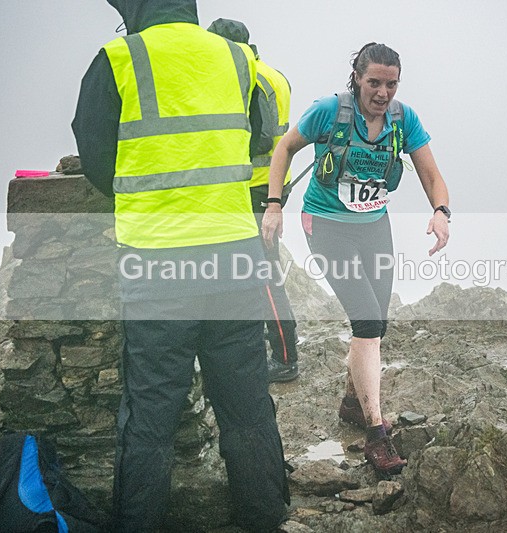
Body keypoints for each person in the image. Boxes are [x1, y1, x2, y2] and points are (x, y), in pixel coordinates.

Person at [71, 1, 289, 530]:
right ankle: (263, 516)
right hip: (233, 255)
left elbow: (95, 153)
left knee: (151, 414)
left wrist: (145, 192)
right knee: (246, 402)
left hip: (157, 262)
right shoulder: (237, 57)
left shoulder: (118, 57)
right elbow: (261, 136)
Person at [262, 42, 451, 476]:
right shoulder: (328, 111)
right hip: (326, 226)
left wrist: (441, 212)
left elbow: (431, 174)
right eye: (374, 83)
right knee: (366, 323)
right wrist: (274, 204)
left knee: (375, 323)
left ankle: (352, 402)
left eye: (391, 84)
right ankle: (376, 434)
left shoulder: (403, 119)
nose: (383, 93)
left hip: (373, 225)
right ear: (357, 79)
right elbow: (285, 148)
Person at [207, 18, 299, 384]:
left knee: (264, 275)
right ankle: (276, 349)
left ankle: (285, 358)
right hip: (273, 186)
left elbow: (258, 139)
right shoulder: (273, 74)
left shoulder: (245, 78)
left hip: (256, 187)